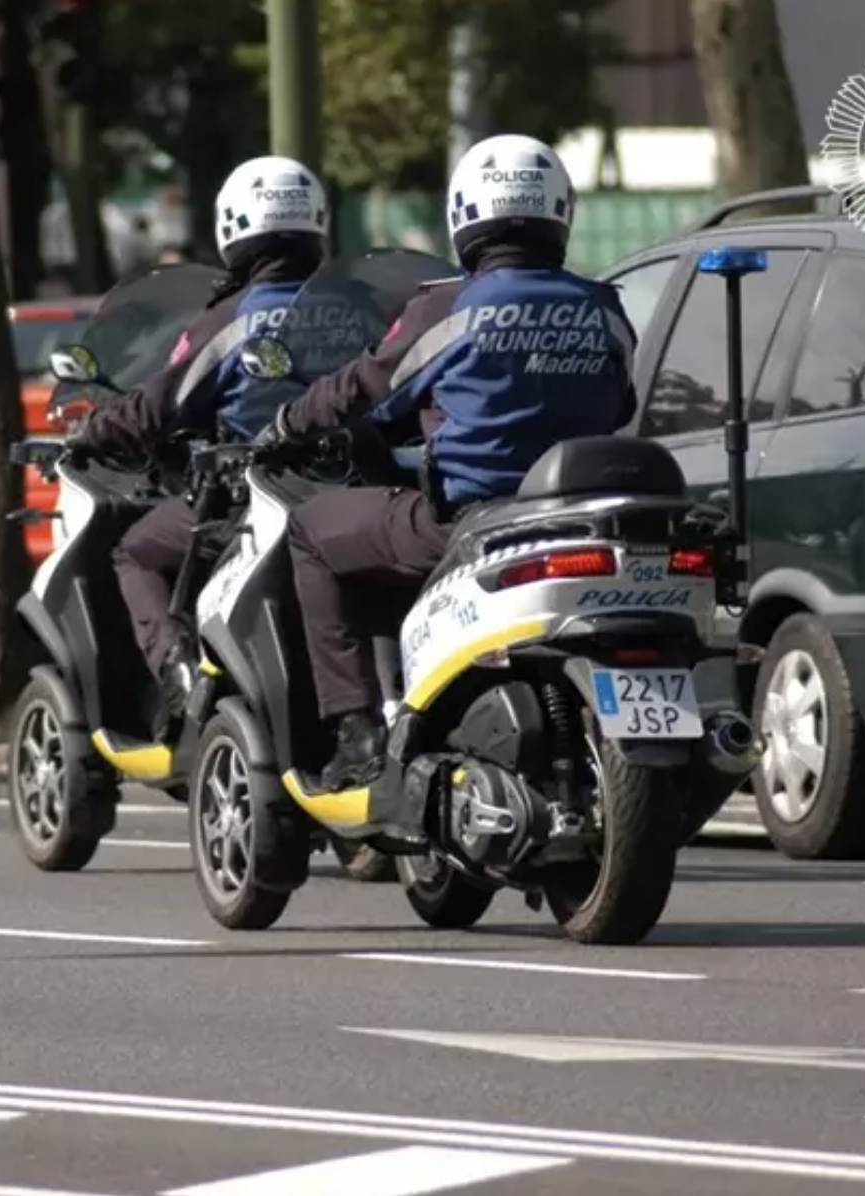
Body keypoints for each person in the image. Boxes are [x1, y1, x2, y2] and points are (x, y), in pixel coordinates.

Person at [267, 133, 639, 832]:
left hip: (470, 521)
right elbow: (619, 406)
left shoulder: (446, 308)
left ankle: (354, 734)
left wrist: (291, 419)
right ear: (560, 211)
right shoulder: (606, 308)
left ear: (464, 215)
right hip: (581, 520)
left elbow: (368, 388)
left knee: (312, 533)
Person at [72, 155, 330, 736]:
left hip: (245, 501)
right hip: (340, 492)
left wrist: (93, 429)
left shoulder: (233, 318)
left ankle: (175, 666)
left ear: (235, 227)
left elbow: (158, 406)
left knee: (134, 551)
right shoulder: (350, 310)